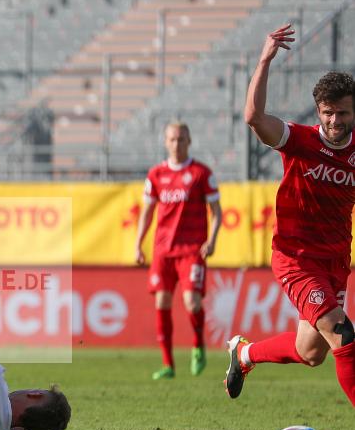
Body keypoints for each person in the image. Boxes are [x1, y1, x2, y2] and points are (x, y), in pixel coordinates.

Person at [224, 24, 355, 406]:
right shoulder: (299, 140)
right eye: (328, 113)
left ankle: (245, 354)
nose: (334, 121)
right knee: (344, 338)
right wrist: (264, 59)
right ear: (319, 111)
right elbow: (253, 116)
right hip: (296, 258)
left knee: (312, 352)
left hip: (335, 260)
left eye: (343, 113)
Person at [135, 123, 222, 380]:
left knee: (191, 302)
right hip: (163, 250)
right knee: (162, 302)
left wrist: (213, 240)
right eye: (172, 139)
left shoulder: (201, 173)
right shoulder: (156, 175)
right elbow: (147, 213)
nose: (177, 144)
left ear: (189, 141)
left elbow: (217, 212)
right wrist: (138, 243)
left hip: (192, 250)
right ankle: (168, 364)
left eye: (181, 139)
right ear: (166, 142)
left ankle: (198, 345)